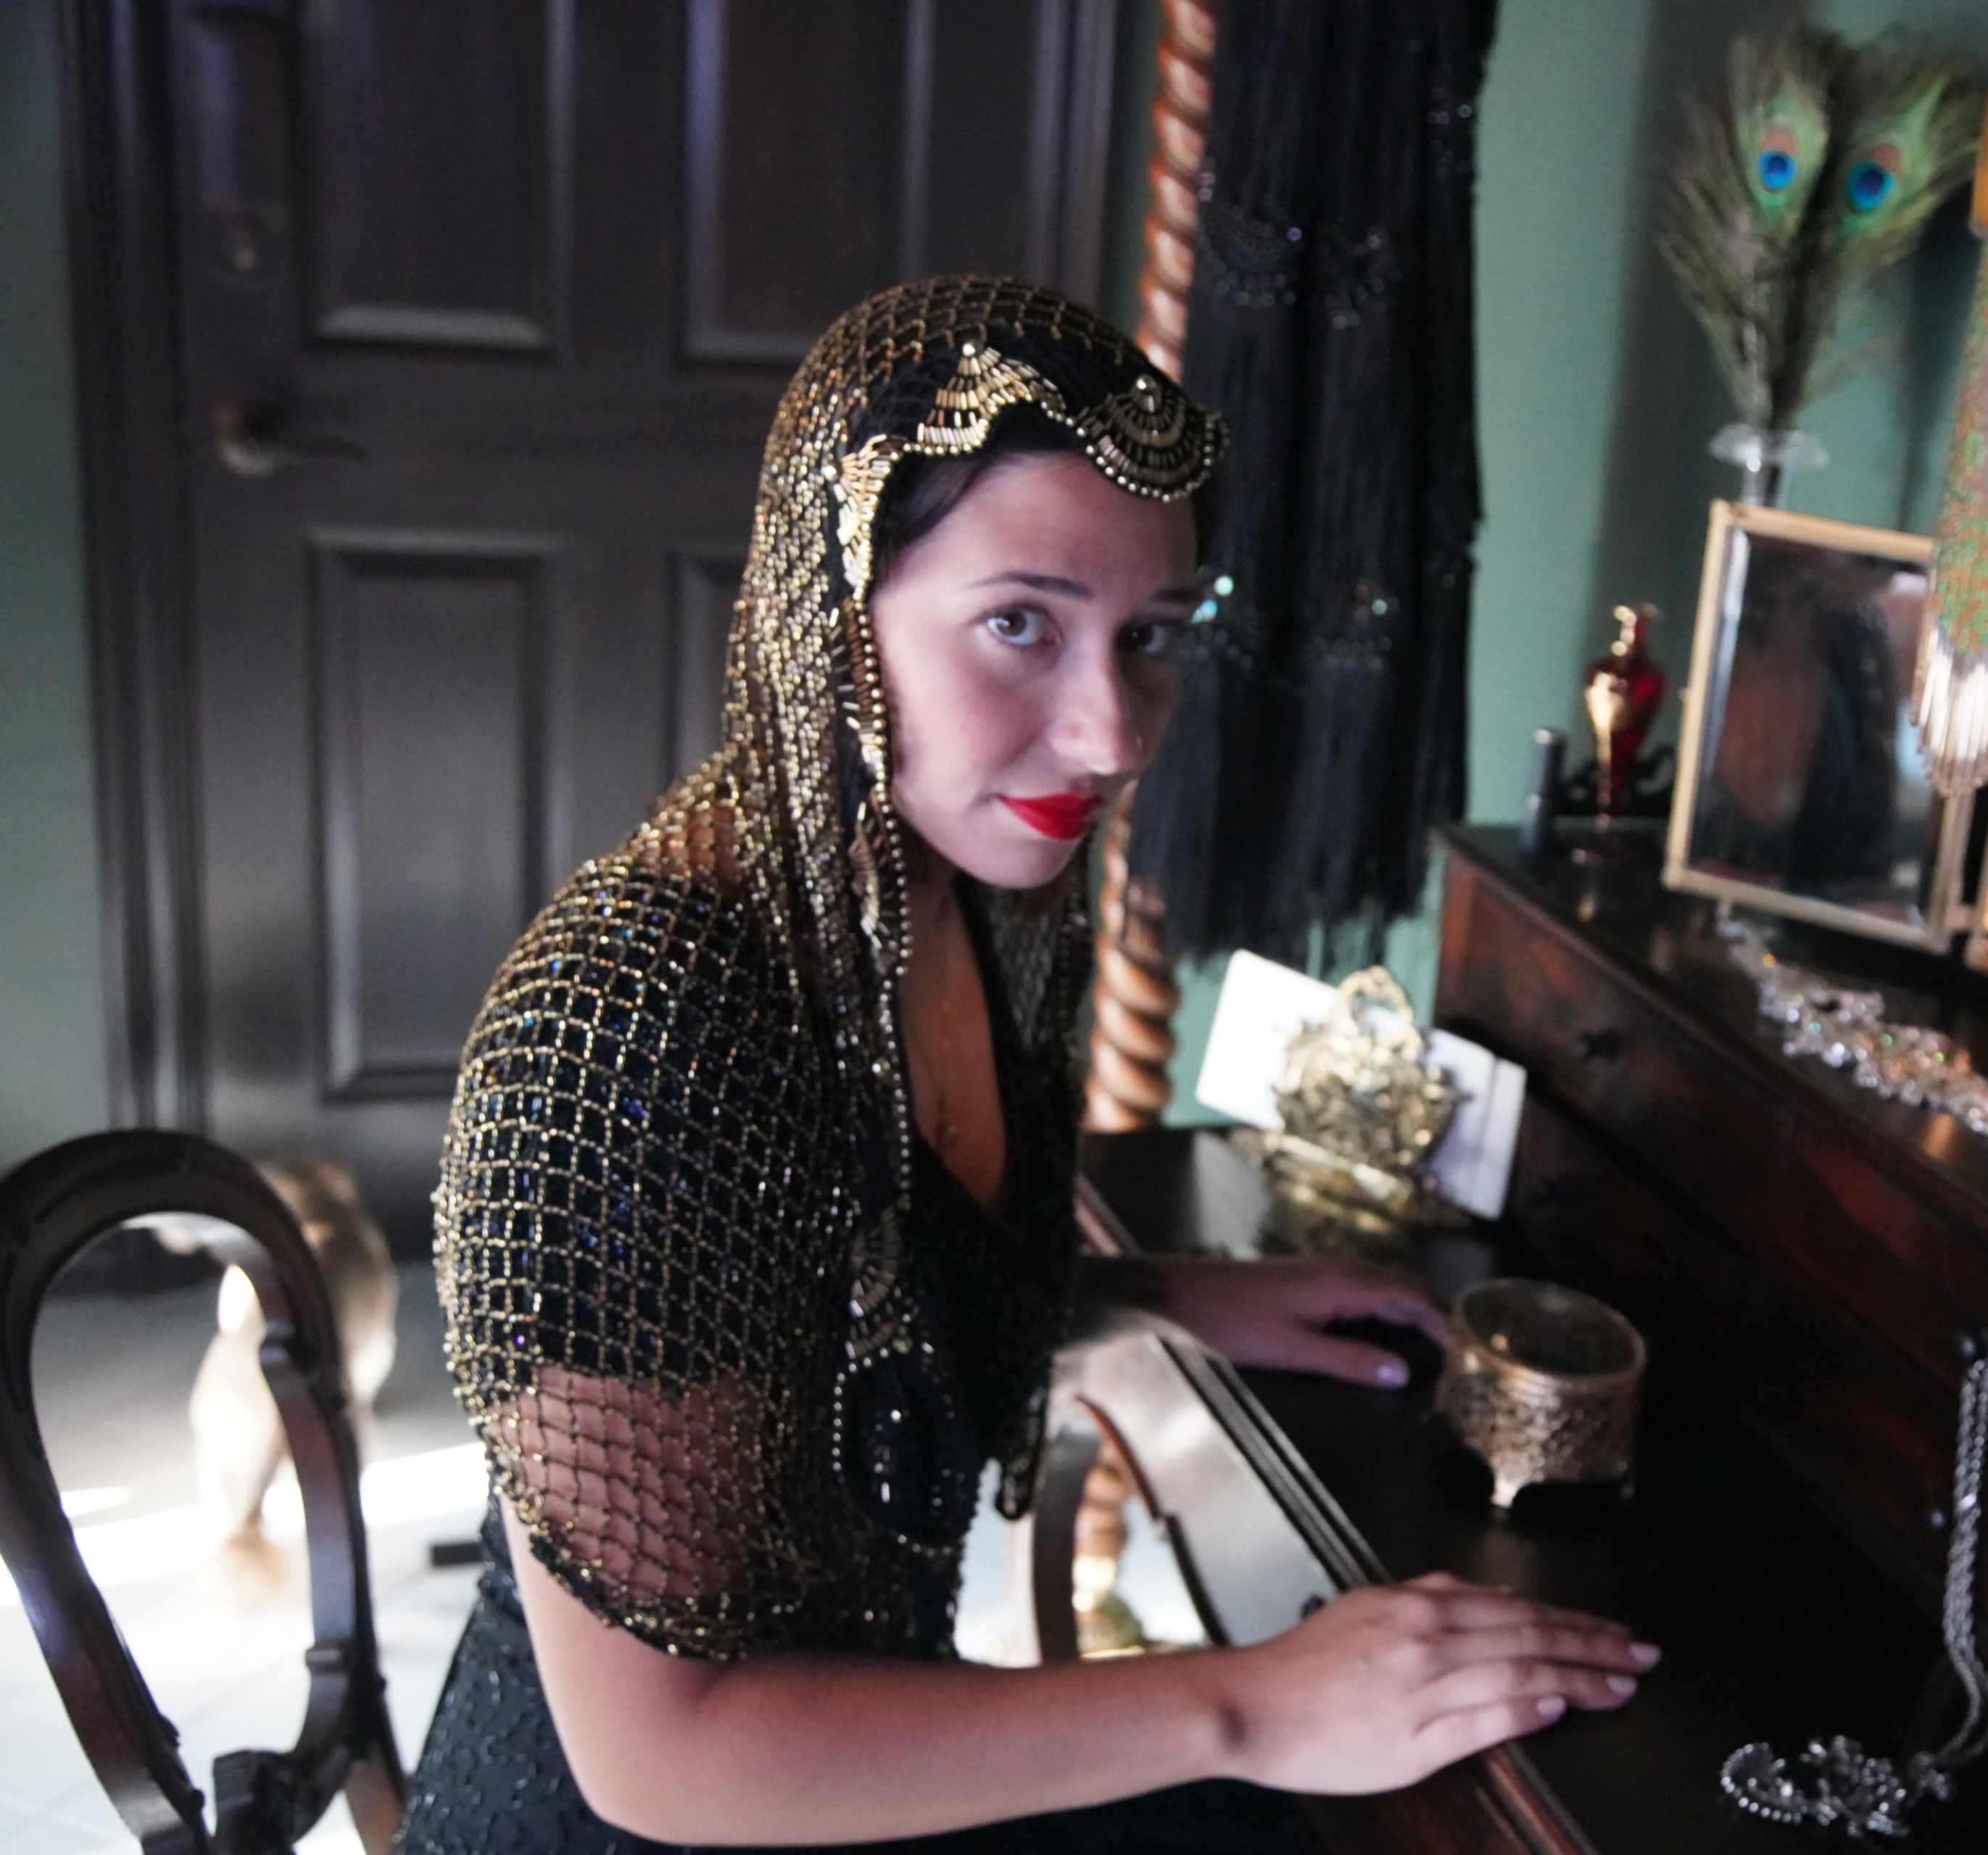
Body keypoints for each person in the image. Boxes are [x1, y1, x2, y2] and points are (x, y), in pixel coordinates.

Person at [399, 278, 1652, 1854]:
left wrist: (1166, 1298)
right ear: (830, 604)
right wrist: (1251, 1696)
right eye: (1019, 623)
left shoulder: (962, 897)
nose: (1112, 731)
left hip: (843, 1748)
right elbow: (664, 1748)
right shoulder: (633, 1038)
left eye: (1148, 638)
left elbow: (856, 1306)